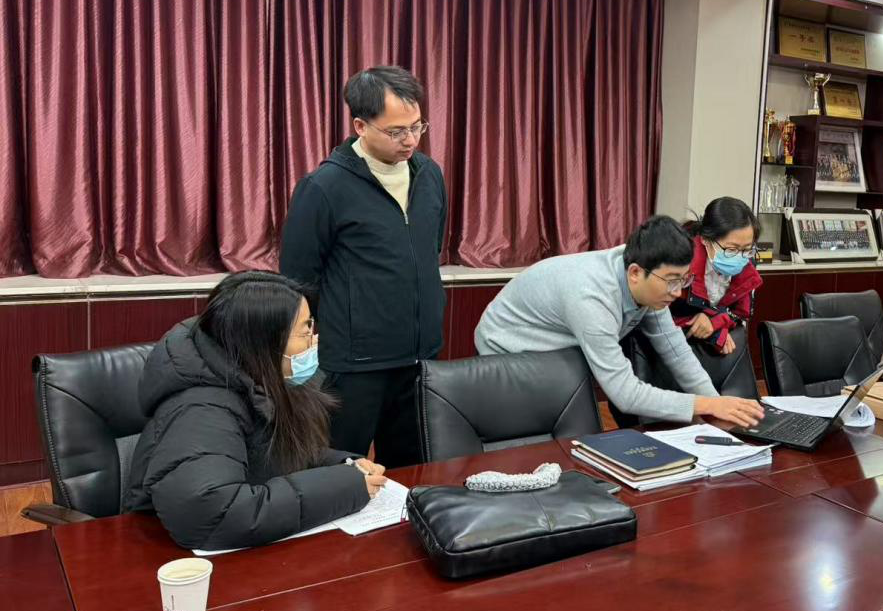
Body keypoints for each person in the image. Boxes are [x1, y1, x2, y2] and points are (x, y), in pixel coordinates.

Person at [124, 272, 387, 550]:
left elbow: (266, 455)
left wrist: (341, 465)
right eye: (305, 330)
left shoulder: (258, 377)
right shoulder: (202, 407)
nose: (314, 340)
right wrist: (344, 487)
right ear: (265, 342)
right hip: (163, 556)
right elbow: (211, 514)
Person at [280, 66, 447, 468]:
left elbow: (430, 251)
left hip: (421, 359)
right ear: (360, 126)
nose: (410, 140)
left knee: (414, 473)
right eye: (396, 131)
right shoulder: (324, 187)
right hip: (353, 366)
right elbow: (298, 279)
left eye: (417, 126)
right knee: (342, 473)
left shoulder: (429, 175)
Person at [474, 216, 765, 427]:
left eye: (683, 280)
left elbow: (676, 351)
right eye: (672, 281)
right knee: (537, 444)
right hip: (508, 348)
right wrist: (706, 405)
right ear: (636, 273)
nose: (678, 293)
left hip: (555, 352)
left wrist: (719, 407)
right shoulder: (592, 298)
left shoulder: (649, 282)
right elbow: (625, 394)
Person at [671, 197, 763, 354]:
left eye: (747, 249)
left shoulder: (746, 268)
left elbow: (740, 314)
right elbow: (656, 315)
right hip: (670, 348)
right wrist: (705, 325)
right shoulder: (680, 263)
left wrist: (715, 323)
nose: (740, 257)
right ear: (706, 240)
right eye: (731, 249)